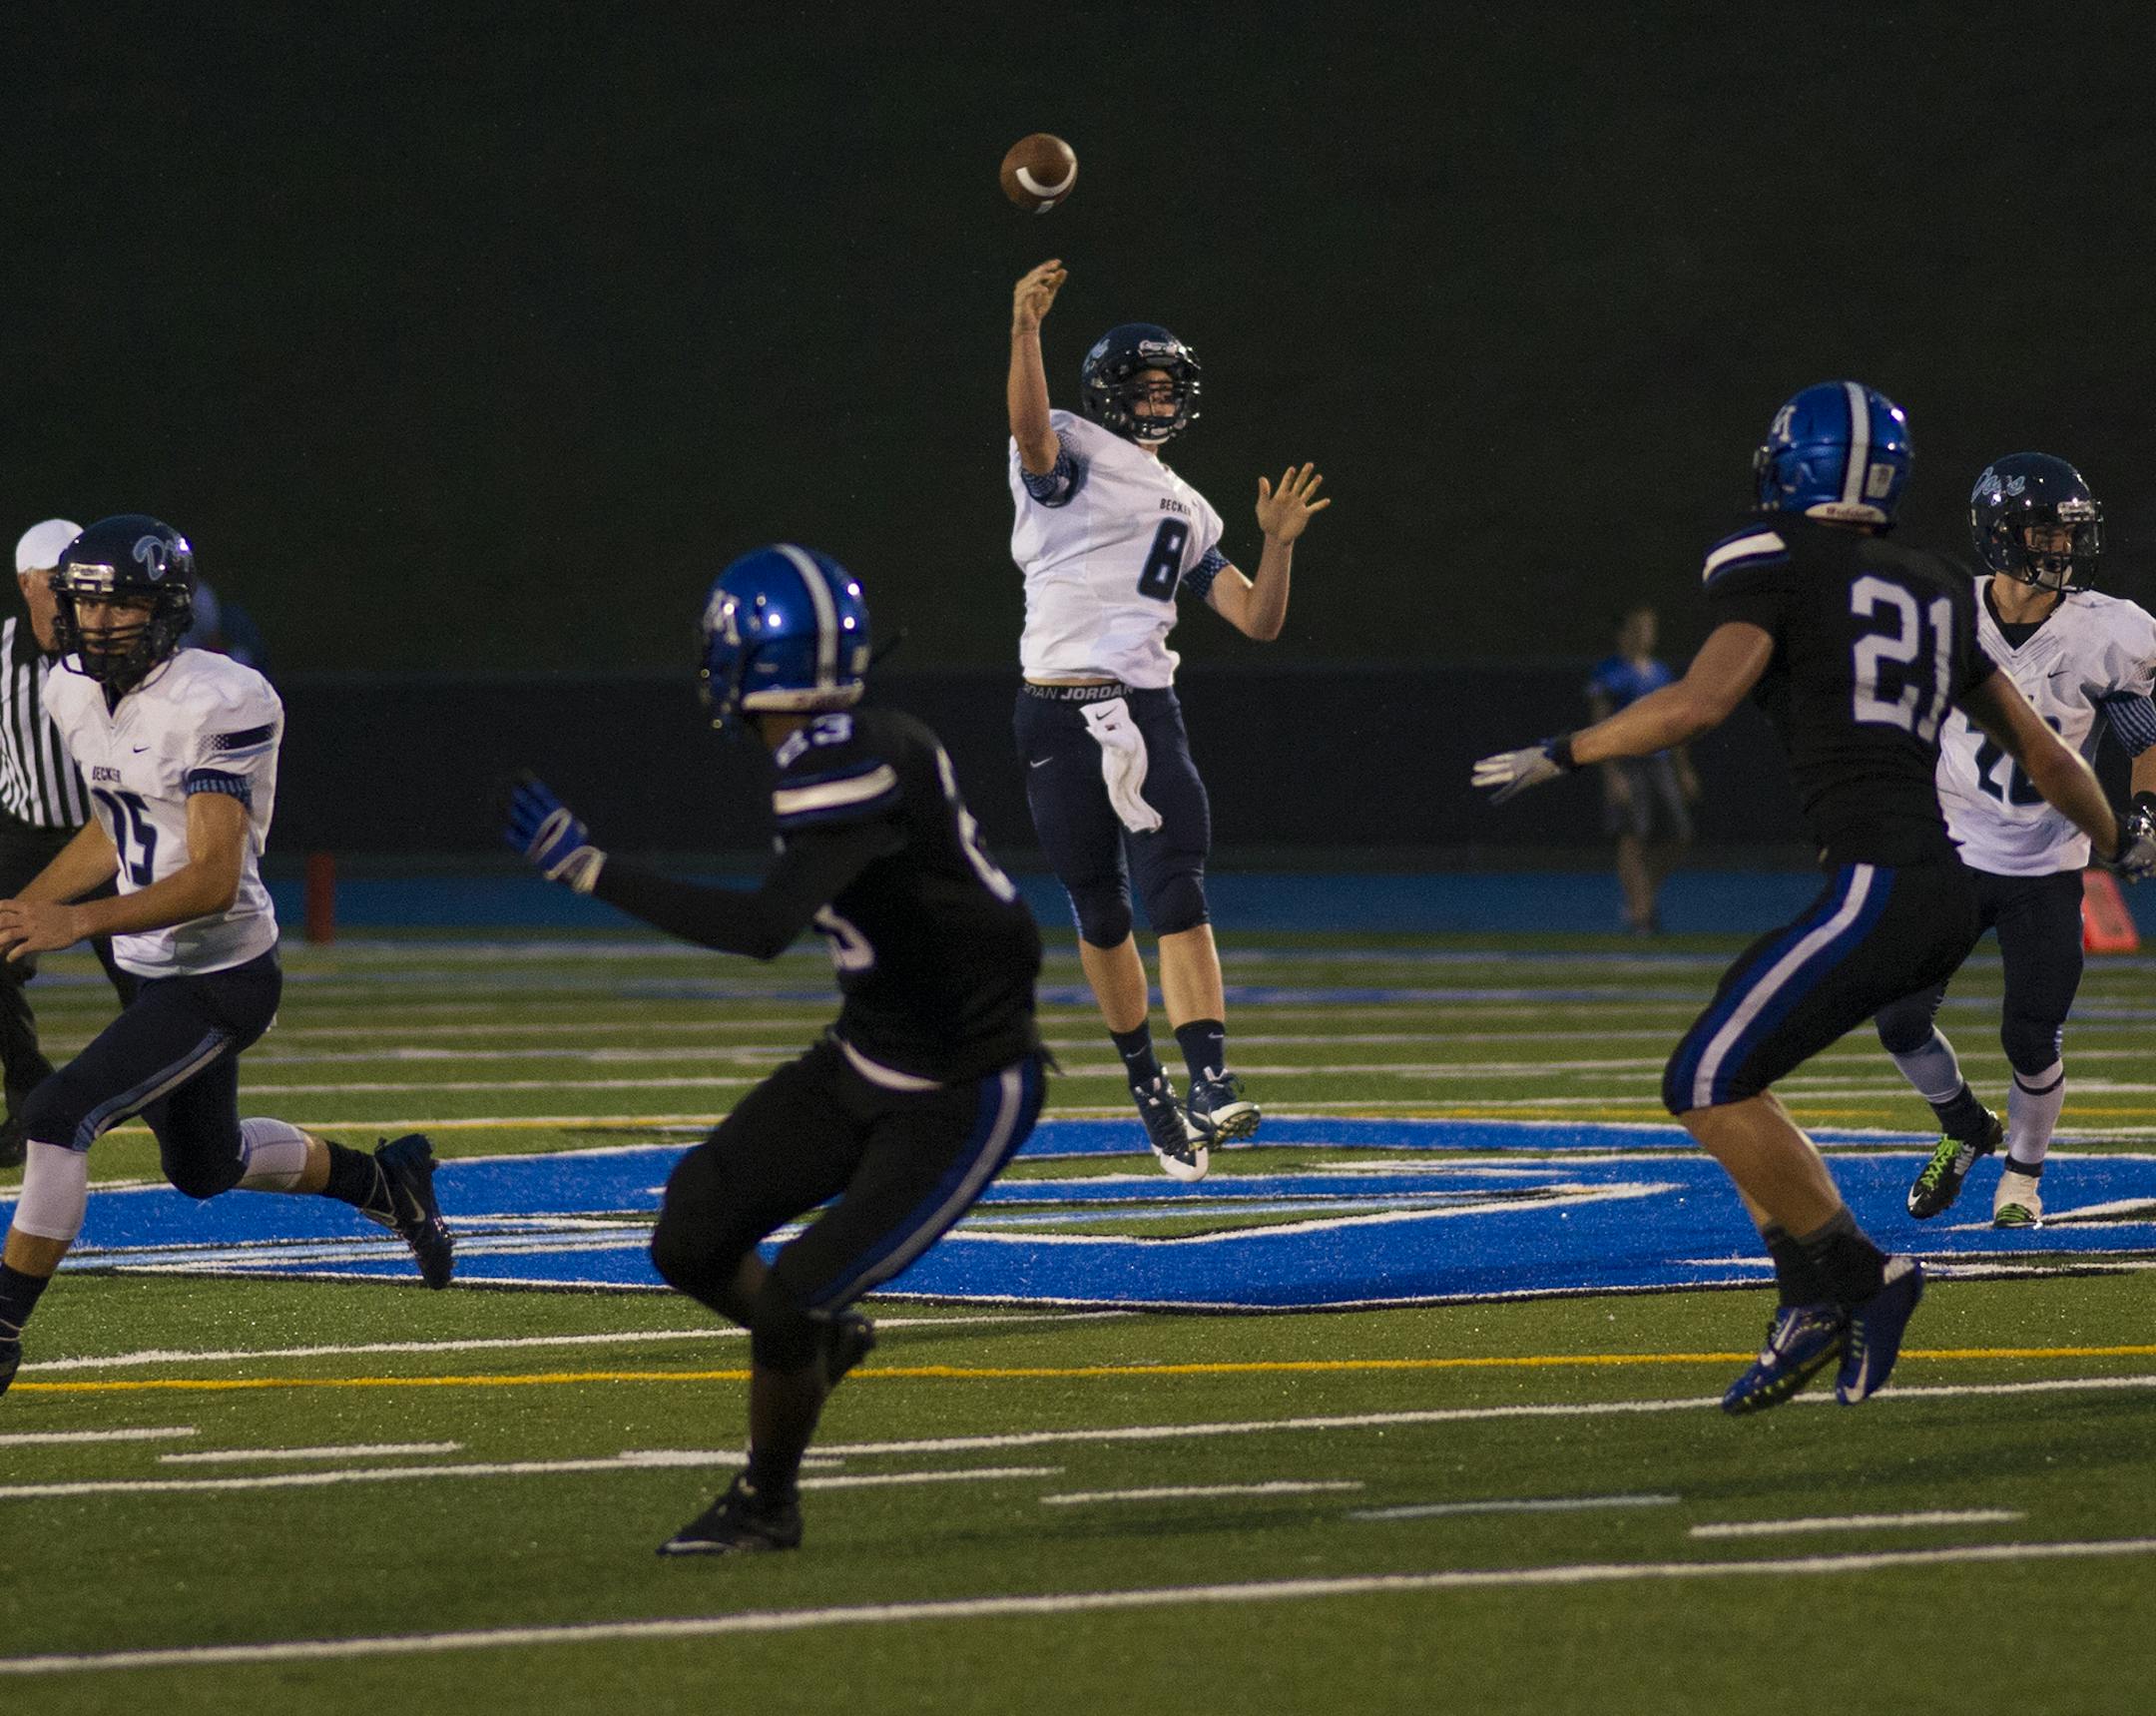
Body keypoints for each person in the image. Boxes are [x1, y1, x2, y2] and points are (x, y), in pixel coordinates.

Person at [1474, 382, 2155, 1415]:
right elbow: (2054, 761)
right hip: (1930, 877)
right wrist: (2124, 839)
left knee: (1703, 1077)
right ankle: (1811, 1296)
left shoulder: (1770, 560)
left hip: (1887, 877)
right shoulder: (1934, 586)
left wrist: (1564, 752)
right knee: (1737, 1077)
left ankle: (1862, 1278)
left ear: (1791, 468)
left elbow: (1699, 703)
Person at [506, 544, 1047, 1556]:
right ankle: (819, 1344)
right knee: (690, 1236)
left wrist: (591, 871)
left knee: (791, 1292)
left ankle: (767, 1501)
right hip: (870, 1051)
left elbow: (764, 927)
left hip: (963, 1086)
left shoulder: (846, 759)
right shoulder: (850, 741)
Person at [0, 515, 453, 1402]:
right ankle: (387, 1181)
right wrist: (35, 908)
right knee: (205, 1167)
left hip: (219, 974)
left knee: (59, 1115)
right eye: (87, 603)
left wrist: (74, 922)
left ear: (165, 610)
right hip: (148, 964)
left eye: (121, 604)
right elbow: (118, 820)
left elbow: (210, 876)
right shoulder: (71, 691)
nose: (97, 624)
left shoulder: (222, 697)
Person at [1006, 258, 1329, 1181]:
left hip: (1146, 707)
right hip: (1056, 709)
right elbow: (1030, 432)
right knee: (1098, 910)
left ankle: (1211, 1079)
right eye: (1140, 387)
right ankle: (1148, 1089)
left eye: (1166, 388)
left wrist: (1275, 544)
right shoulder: (1063, 444)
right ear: (1105, 393)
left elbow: (1257, 620)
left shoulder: (1189, 504)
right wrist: (1025, 330)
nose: (1155, 401)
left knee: (1177, 890)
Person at [1879, 454, 2156, 1228]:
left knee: (2030, 1033)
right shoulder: (1944, 614)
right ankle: (1967, 1127)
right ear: (2000, 534)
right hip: (1953, 851)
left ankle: (2022, 1182)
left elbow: (2147, 733)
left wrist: (2147, 813)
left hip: (2048, 860)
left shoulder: (2110, 630)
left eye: (2072, 533)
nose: (2062, 548)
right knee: (1897, 1020)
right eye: (2046, 531)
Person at [1, 520, 131, 1170]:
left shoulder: (119, 650)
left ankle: (171, 1101)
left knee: (148, 979)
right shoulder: (2, 655)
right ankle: (28, 1092)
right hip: (26, 834)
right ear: (26, 584)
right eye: (58, 585)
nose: (70, 599)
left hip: (109, 838)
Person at [1584, 605, 1701, 933]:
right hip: (1627, 762)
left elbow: (1675, 724)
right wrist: (1611, 773)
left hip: (1660, 763)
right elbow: (1600, 722)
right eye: (1637, 628)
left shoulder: (1661, 672)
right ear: (1622, 633)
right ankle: (1640, 915)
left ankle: (1641, 897)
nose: (1644, 635)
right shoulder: (1609, 672)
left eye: (1649, 628)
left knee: (1679, 835)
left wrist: (1684, 769)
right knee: (1632, 837)